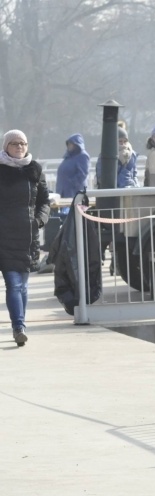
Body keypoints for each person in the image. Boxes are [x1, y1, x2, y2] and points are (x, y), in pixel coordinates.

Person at [0, 130, 49, 346]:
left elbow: (44, 201)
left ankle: (20, 325)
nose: (19, 147)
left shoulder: (34, 170)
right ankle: (18, 327)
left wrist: (39, 220)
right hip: (4, 236)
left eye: (23, 143)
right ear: (6, 146)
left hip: (28, 236)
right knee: (13, 284)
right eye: (14, 143)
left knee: (24, 286)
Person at [55, 133, 90, 200]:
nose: (69, 146)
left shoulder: (83, 156)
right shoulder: (68, 156)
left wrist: (71, 183)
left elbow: (82, 174)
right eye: (68, 144)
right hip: (63, 192)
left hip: (74, 193)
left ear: (77, 144)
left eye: (71, 144)